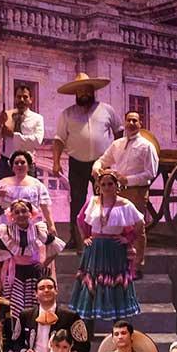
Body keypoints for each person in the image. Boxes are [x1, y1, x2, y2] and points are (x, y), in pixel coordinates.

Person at [51, 72, 122, 249]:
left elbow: (119, 132)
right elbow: (59, 140)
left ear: (92, 91)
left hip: (102, 164)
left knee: (106, 199)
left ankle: (106, 235)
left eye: (86, 90)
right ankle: (76, 238)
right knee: (77, 201)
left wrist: (118, 156)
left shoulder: (107, 110)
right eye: (80, 90)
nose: (83, 93)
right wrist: (56, 162)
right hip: (77, 163)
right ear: (76, 93)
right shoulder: (67, 114)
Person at [69, 169, 142, 321]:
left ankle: (118, 326)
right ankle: (88, 326)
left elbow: (140, 223)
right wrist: (84, 238)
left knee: (115, 282)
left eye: (110, 184)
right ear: (98, 186)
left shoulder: (125, 204)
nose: (107, 187)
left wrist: (128, 238)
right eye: (103, 184)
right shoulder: (93, 201)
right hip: (95, 248)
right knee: (92, 282)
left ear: (116, 185)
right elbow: (80, 219)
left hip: (114, 248)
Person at [92, 110, 158, 277]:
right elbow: (102, 160)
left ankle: (137, 267)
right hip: (119, 192)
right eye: (129, 120)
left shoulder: (147, 146)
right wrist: (97, 168)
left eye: (135, 120)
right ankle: (120, 265)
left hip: (137, 191)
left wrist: (127, 180)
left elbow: (150, 173)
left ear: (140, 124)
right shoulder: (117, 144)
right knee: (120, 228)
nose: (131, 123)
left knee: (137, 229)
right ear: (124, 123)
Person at [10, 277, 89, 352]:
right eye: (42, 288)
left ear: (56, 291)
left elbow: (85, 345)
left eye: (50, 287)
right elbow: (15, 342)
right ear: (35, 294)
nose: (46, 290)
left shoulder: (71, 316)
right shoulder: (25, 315)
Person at [0, 200, 64, 318]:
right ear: (12, 215)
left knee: (32, 309)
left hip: (33, 273)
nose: (21, 215)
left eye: (24, 211)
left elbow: (56, 246)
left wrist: (44, 264)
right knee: (14, 308)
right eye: (17, 212)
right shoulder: (6, 232)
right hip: (14, 274)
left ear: (30, 213)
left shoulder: (38, 230)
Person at [0, 150, 55, 234]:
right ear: (12, 166)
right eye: (16, 163)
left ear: (28, 166)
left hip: (31, 225)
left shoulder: (37, 185)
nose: (19, 165)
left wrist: (51, 225)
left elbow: (45, 206)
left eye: (22, 162)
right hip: (8, 227)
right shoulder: (3, 183)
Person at [0, 85, 44, 182]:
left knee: (27, 190)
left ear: (31, 99)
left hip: (26, 164)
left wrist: (13, 135)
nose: (21, 100)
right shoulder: (6, 115)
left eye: (25, 97)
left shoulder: (37, 118)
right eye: (19, 97)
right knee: (2, 190)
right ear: (15, 98)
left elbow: (37, 141)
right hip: (6, 164)